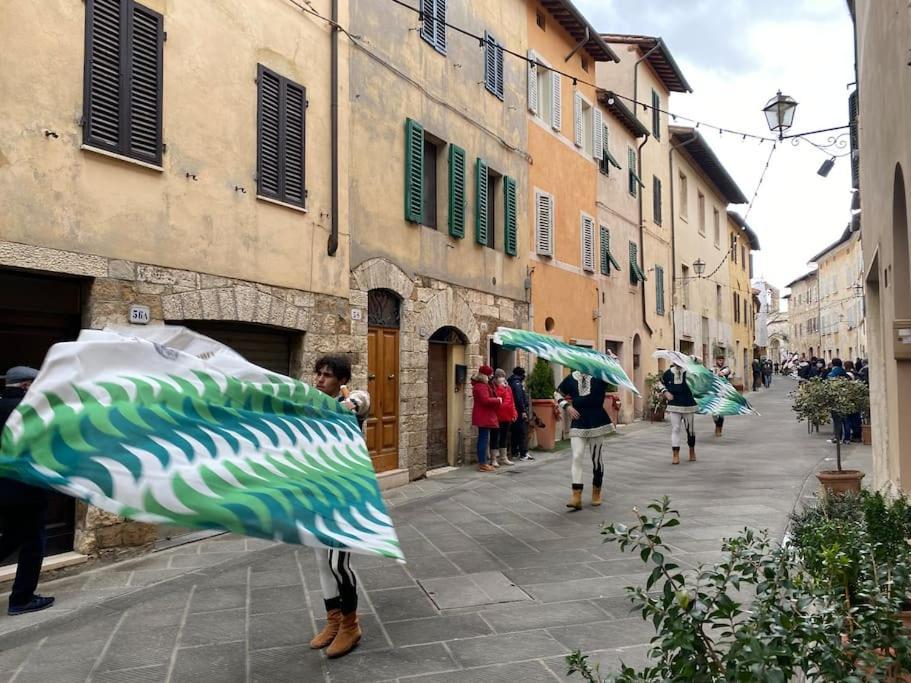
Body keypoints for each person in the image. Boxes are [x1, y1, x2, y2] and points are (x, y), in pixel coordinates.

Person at [309, 355, 370, 658]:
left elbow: (363, 400)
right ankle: (332, 622)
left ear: (341, 381)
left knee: (339, 563)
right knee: (322, 561)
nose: (320, 380)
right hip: (319, 495)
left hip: (346, 496)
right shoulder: (309, 407)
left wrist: (347, 405)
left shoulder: (350, 403)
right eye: (318, 374)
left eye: (327, 375)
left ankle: (351, 625)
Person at [0, 366, 55, 616]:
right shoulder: (32, 413)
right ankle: (21, 599)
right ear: (26, 386)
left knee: (11, 537)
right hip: (28, 491)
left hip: (4, 491)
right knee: (34, 542)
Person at [554, 371, 612, 510]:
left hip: (597, 419)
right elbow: (557, 393)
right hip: (578, 420)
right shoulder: (571, 378)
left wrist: (613, 362)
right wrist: (567, 406)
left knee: (596, 458)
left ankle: (596, 490)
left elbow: (614, 377)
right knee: (576, 455)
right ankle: (576, 496)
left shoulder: (601, 375)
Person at [660, 358, 698, 464]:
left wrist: (694, 361)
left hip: (688, 404)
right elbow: (660, 383)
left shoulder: (689, 371)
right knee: (675, 429)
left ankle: (692, 450)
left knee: (690, 430)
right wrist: (665, 392)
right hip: (674, 404)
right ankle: (675, 454)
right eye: (675, 361)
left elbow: (698, 380)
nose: (677, 363)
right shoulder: (668, 373)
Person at [471, 365, 501, 473]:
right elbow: (485, 400)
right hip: (483, 416)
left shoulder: (482, 385)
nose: (491, 377)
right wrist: (498, 400)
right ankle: (482, 464)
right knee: (483, 440)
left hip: (483, 415)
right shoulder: (481, 386)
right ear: (485, 375)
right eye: (489, 375)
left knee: (483, 439)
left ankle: (483, 462)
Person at [507, 367, 533, 462]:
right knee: (522, 432)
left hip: (513, 411)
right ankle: (523, 453)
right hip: (518, 411)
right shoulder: (517, 383)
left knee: (514, 432)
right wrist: (522, 411)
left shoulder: (510, 381)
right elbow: (519, 398)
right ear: (521, 374)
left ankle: (514, 452)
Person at [492, 369, 517, 467]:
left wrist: (514, 413)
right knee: (495, 437)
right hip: (497, 416)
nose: (501, 378)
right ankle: (494, 459)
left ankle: (503, 457)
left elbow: (512, 401)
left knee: (504, 437)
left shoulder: (509, 388)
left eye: (503, 376)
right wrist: (501, 387)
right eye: (499, 376)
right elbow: (498, 397)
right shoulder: (494, 387)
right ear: (496, 378)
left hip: (507, 415)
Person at [711, 355, 732, 437]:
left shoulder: (726, 368)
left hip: (723, 394)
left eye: (722, 360)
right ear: (716, 360)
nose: (721, 361)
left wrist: (721, 373)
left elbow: (725, 372)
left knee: (721, 413)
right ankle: (717, 424)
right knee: (714, 414)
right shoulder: (712, 369)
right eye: (719, 360)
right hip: (714, 394)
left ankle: (719, 428)